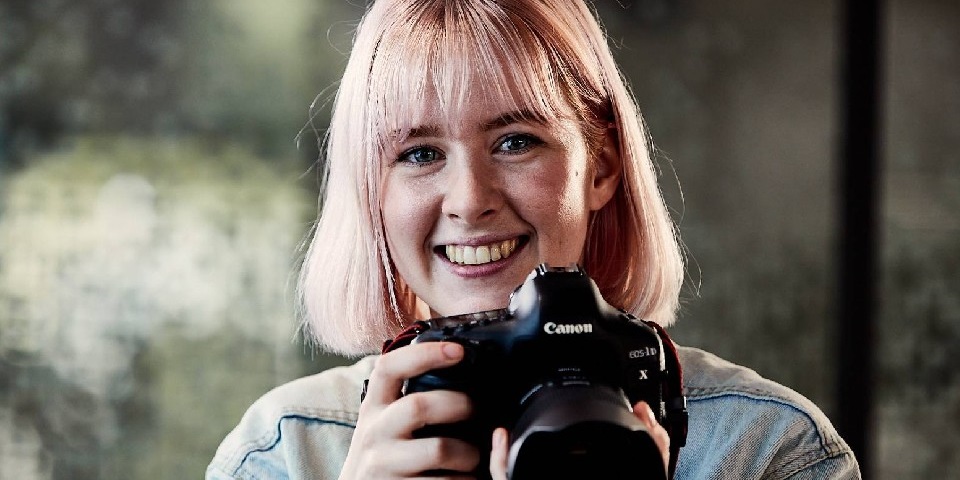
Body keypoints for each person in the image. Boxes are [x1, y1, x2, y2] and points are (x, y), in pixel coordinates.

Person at [206, 0, 862, 478]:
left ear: (600, 165)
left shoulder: (763, 449)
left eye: (516, 142)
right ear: (370, 192)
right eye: (418, 154)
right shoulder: (290, 453)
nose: (469, 200)